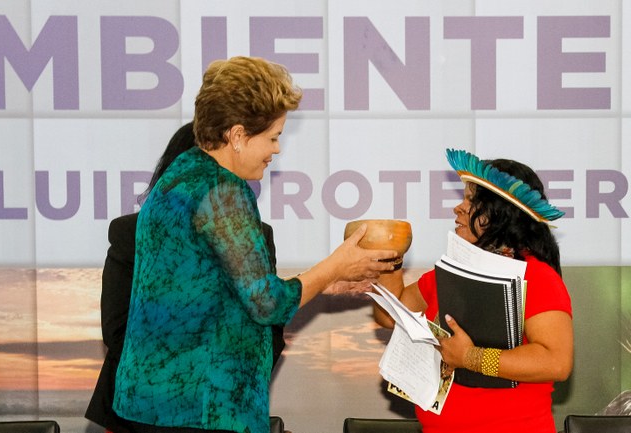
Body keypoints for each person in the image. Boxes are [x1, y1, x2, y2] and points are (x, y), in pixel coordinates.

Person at [113, 56, 398, 433]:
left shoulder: (181, 174)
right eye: (273, 137)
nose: (277, 149)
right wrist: (335, 265)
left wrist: (324, 283)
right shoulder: (223, 191)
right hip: (201, 409)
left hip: (155, 405)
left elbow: (220, 289)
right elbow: (266, 303)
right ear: (236, 135)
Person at [85, 122, 286, 433]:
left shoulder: (256, 236)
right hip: (141, 415)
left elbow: (268, 330)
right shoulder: (132, 232)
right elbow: (118, 331)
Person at [373, 148, 574, 433]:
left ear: (500, 212)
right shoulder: (451, 273)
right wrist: (389, 258)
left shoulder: (538, 277)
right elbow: (389, 314)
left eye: (470, 200)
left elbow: (556, 362)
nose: (458, 208)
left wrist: (470, 357)